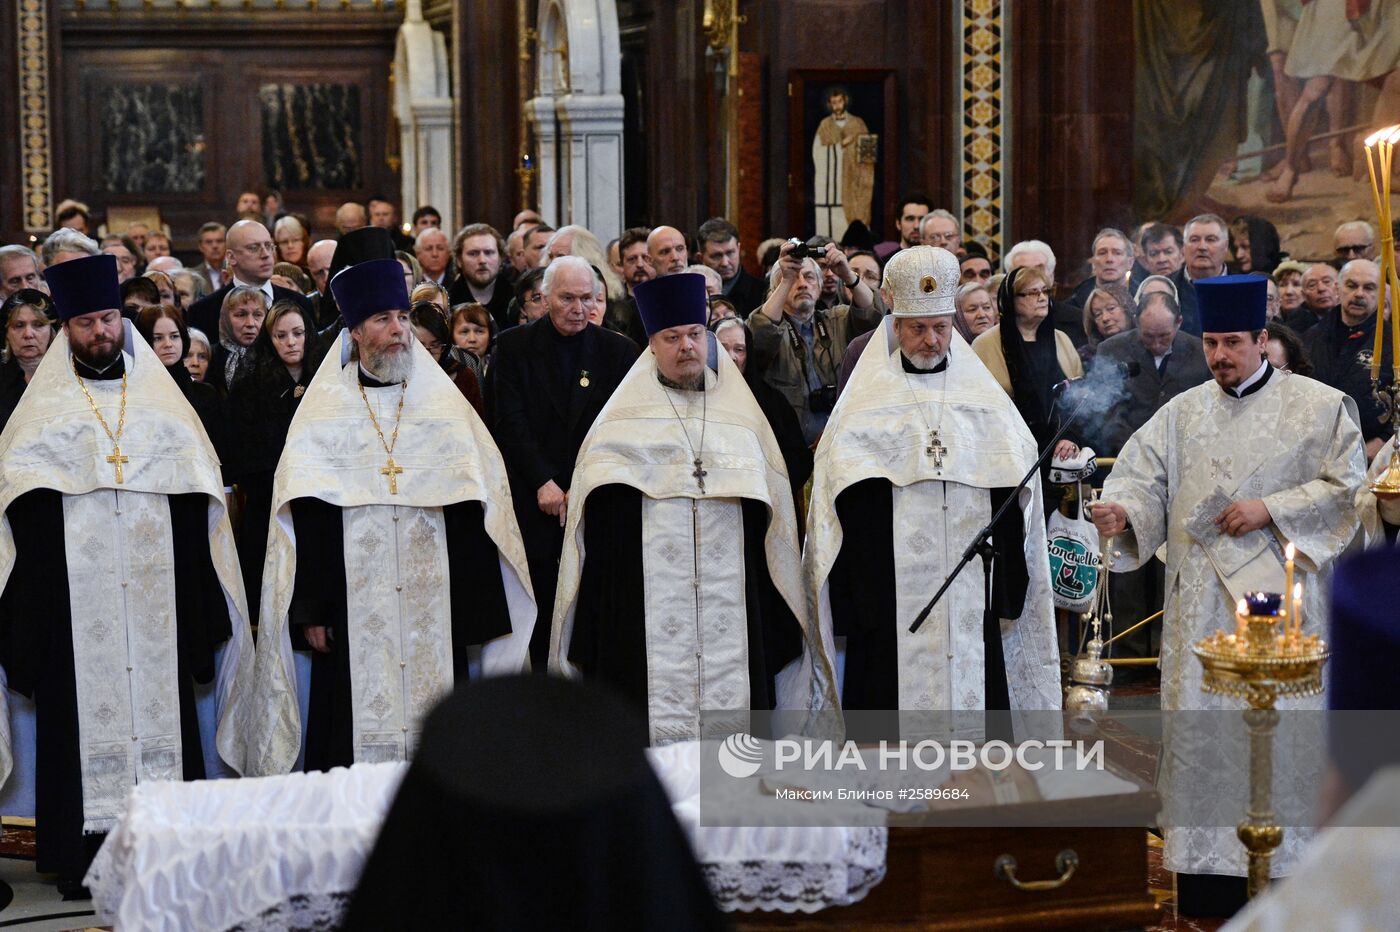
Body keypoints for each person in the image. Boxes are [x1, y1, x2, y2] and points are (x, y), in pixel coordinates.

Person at [1093, 274, 1367, 916]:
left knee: (1282, 739)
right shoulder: (1181, 414)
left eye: (1233, 343)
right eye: (1212, 342)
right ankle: (1210, 881)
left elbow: (1346, 490)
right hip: (1200, 621)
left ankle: (1290, 876)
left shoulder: (1320, 407)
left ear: (1262, 340)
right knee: (1203, 737)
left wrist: (1268, 508)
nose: (1220, 356)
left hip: (1282, 612)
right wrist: (1123, 513)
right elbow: (1142, 480)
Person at [0, 254, 253, 893]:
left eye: (109, 318)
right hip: (72, 606)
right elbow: (20, 514)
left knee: (165, 708)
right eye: (85, 322)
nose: (100, 332)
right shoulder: (40, 414)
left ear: (122, 321)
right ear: (67, 330)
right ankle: (83, 859)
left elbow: (196, 499)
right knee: (76, 718)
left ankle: (168, 848)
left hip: (156, 599)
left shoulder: (163, 408)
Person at [243, 258, 535, 776]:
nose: (399, 330)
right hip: (351, 609)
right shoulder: (323, 414)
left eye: (402, 317)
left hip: (438, 606)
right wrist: (311, 610)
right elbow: (304, 520)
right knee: (350, 733)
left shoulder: (445, 408)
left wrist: (474, 610)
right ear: (354, 333)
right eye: (382, 319)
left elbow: (476, 509)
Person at [549, 273, 835, 742]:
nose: (687, 346)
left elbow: (773, 517)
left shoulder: (742, 418)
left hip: (735, 609)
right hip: (643, 611)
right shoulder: (619, 424)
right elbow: (598, 525)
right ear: (652, 345)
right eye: (672, 337)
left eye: (695, 334)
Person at [804, 246, 1060, 716]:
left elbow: (1015, 482)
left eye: (941, 328)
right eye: (917, 329)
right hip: (887, 595)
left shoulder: (982, 401)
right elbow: (836, 501)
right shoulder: (865, 405)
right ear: (895, 326)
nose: (930, 341)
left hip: (969, 593)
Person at [487, 256, 640, 667]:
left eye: (587, 298)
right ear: (544, 298)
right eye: (567, 298)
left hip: (595, 500)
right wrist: (544, 481)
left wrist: (584, 485)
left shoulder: (619, 351)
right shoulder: (514, 347)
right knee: (541, 605)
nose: (579, 308)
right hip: (535, 501)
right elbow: (509, 421)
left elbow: (622, 427)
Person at [224, 299, 320, 627]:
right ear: (269, 340)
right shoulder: (251, 387)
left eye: (297, 333)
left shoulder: (326, 384)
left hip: (316, 503)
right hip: (267, 506)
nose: (291, 342)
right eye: (280, 336)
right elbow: (241, 453)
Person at [750, 239, 880, 444]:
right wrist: (785, 280)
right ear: (775, 290)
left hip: (842, 441)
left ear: (819, 287)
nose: (802, 283)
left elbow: (873, 316)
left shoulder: (838, 320)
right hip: (788, 446)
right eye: (793, 279)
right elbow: (759, 339)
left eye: (809, 277)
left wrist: (847, 274)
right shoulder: (772, 328)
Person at [971, 265, 1084, 474]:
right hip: (1004, 458)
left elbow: (1077, 400)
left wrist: (1070, 437)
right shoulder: (985, 345)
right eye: (1033, 292)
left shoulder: (1061, 341)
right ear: (1011, 301)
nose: (1042, 298)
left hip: (1058, 458)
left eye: (1045, 291)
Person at [713, 317, 813, 526]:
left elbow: (799, 459)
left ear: (748, 354)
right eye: (723, 348)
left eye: (739, 349)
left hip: (761, 511)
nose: (731, 357)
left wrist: (766, 486)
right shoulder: (695, 398)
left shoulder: (772, 401)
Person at [1302, 260, 1391, 461]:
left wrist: (1384, 440)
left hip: (1373, 455)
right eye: (1351, 285)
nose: (1359, 293)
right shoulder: (1310, 339)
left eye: (1369, 288)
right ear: (1338, 288)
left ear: (1381, 294)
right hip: (1315, 451)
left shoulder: (1394, 342)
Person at [133, 303, 229, 479]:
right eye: (157, 338)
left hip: (198, 488)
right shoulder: (133, 395)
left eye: (174, 336)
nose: (168, 344)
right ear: (143, 340)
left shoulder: (205, 394)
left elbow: (220, 451)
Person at [185, 219, 314, 343]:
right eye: (254, 248)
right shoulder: (202, 311)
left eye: (268, 246)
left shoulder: (301, 304)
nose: (266, 254)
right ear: (231, 257)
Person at [0, 289, 55, 431]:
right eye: (19, 326)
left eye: (38, 325)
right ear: (7, 334)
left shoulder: (71, 377)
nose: (28, 334)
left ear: (52, 332)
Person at [448, 223, 513, 330]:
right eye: (473, 254)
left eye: (489, 252)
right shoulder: (446, 303)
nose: (482, 260)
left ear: (500, 258)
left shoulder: (516, 299)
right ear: (459, 260)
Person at [695, 217, 766, 315]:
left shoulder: (763, 293)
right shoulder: (690, 293)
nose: (725, 263)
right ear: (700, 258)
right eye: (716, 256)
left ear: (739, 249)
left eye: (730, 253)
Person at [207, 285, 268, 395]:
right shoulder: (210, 356)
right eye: (241, 315)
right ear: (225, 318)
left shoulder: (272, 355)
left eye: (257, 315)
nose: (250, 323)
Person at [1078, 283, 1135, 365]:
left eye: (1111, 308)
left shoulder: (1146, 344)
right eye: (1098, 314)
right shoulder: (1086, 356)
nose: (1105, 318)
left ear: (1127, 309)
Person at [1281, 262, 1339, 334]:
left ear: (1339, 287)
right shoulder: (1295, 327)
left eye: (1326, 282)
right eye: (1312, 285)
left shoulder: (1353, 314)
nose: (1321, 288)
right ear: (1304, 295)